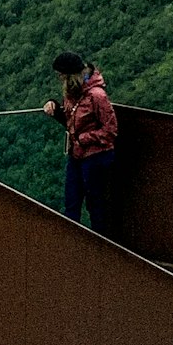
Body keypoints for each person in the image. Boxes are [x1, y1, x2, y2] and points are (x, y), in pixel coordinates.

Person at [43, 51, 118, 235]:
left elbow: (110, 131)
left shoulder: (97, 96)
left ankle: (102, 246)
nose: (60, 79)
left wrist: (84, 139)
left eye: (61, 75)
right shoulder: (73, 93)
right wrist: (56, 110)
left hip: (96, 156)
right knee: (71, 203)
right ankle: (72, 246)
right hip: (77, 154)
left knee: (95, 205)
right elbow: (73, 122)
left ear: (70, 75)